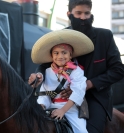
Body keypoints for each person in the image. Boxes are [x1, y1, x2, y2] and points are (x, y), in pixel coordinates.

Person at [28, 0, 124, 133]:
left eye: (87, 13)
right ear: (69, 14)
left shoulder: (105, 36)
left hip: (94, 97)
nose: (83, 17)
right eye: (78, 13)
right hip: (60, 97)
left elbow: (118, 70)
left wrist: (88, 84)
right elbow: (44, 65)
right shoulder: (61, 36)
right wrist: (38, 76)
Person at [31, 29, 94, 133]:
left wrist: (63, 110)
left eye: (64, 53)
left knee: (81, 131)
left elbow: (78, 92)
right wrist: (41, 106)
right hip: (50, 107)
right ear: (52, 56)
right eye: (56, 53)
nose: (60, 56)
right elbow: (45, 93)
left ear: (70, 55)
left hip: (70, 109)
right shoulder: (47, 71)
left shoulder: (76, 71)